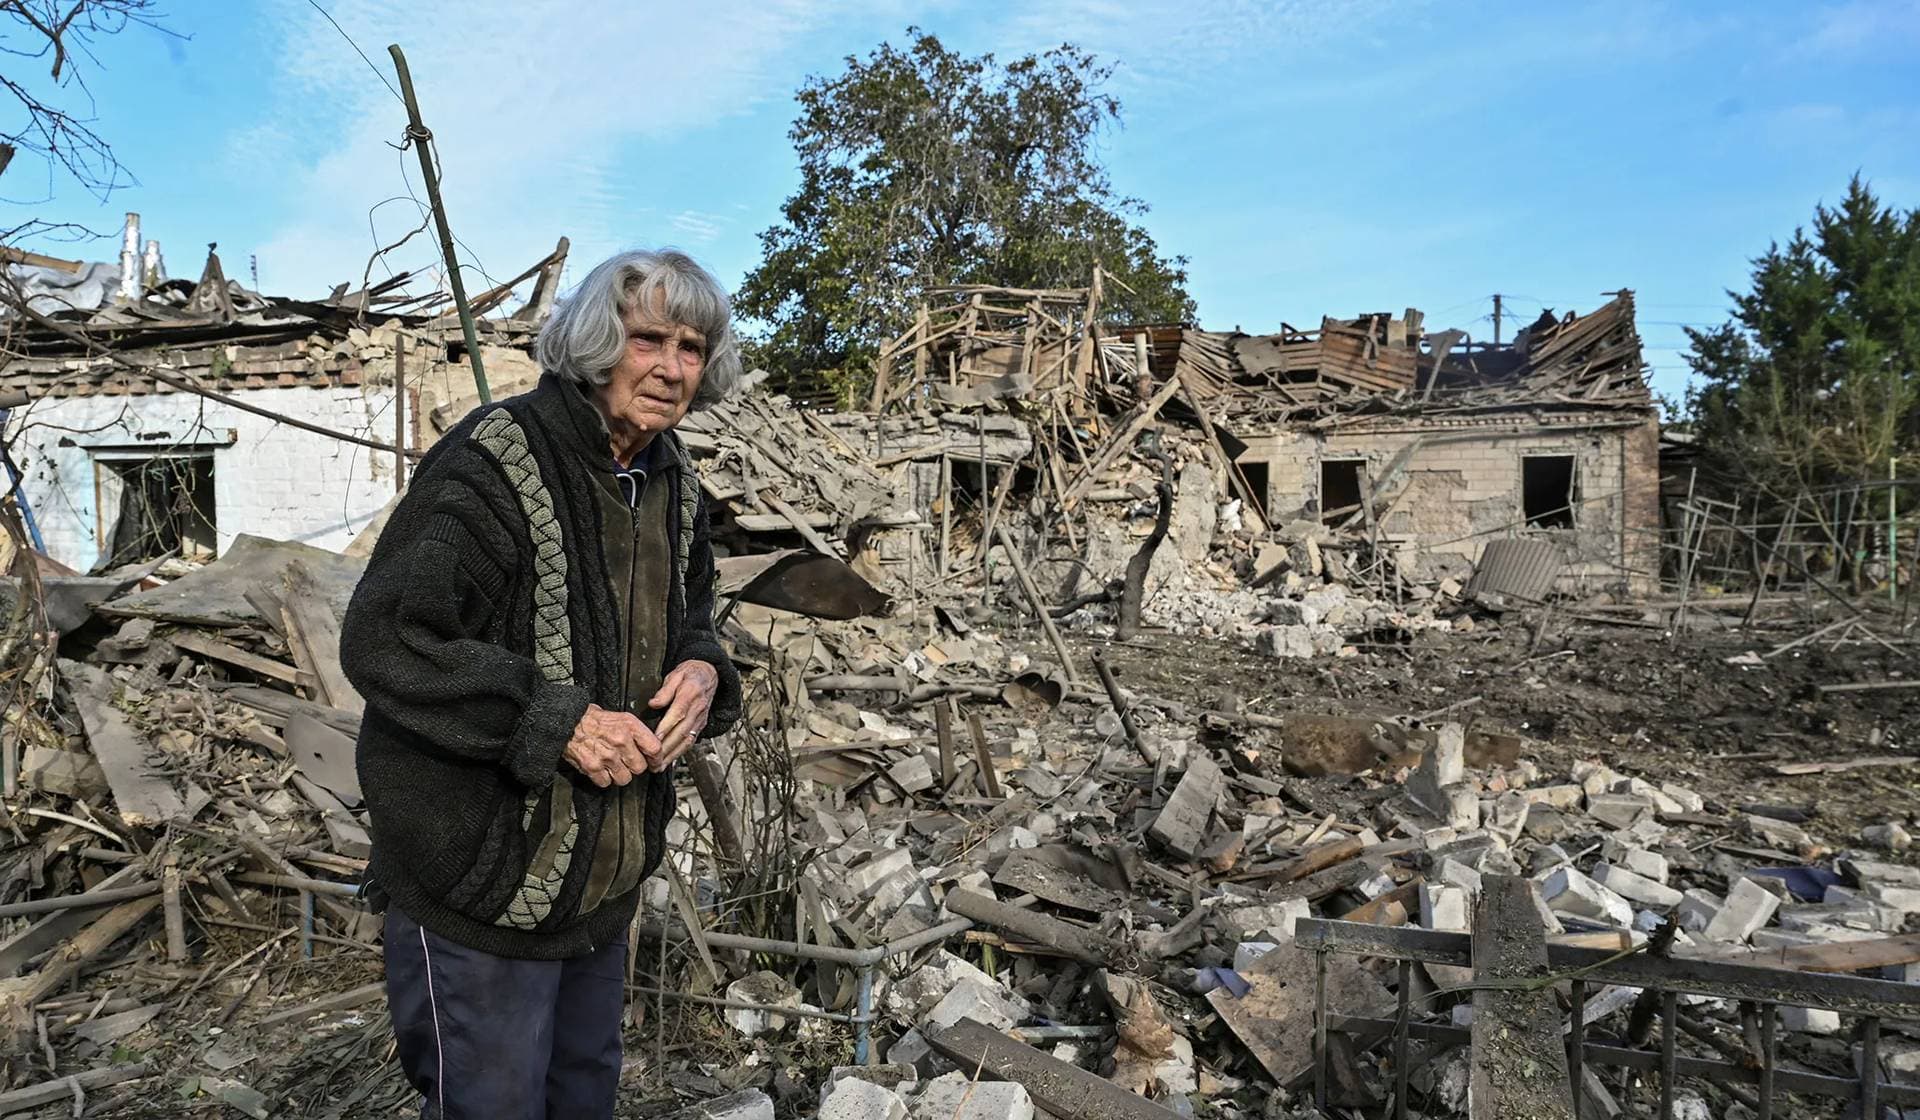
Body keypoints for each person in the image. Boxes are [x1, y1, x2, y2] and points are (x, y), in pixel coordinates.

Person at [340, 249, 744, 1119]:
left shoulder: (671, 479)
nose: (672, 369)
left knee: (580, 1100)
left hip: (598, 888)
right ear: (602, 340)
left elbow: (696, 616)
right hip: (481, 880)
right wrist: (554, 720)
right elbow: (389, 637)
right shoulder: (495, 459)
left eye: (691, 348)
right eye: (650, 341)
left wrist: (706, 670)